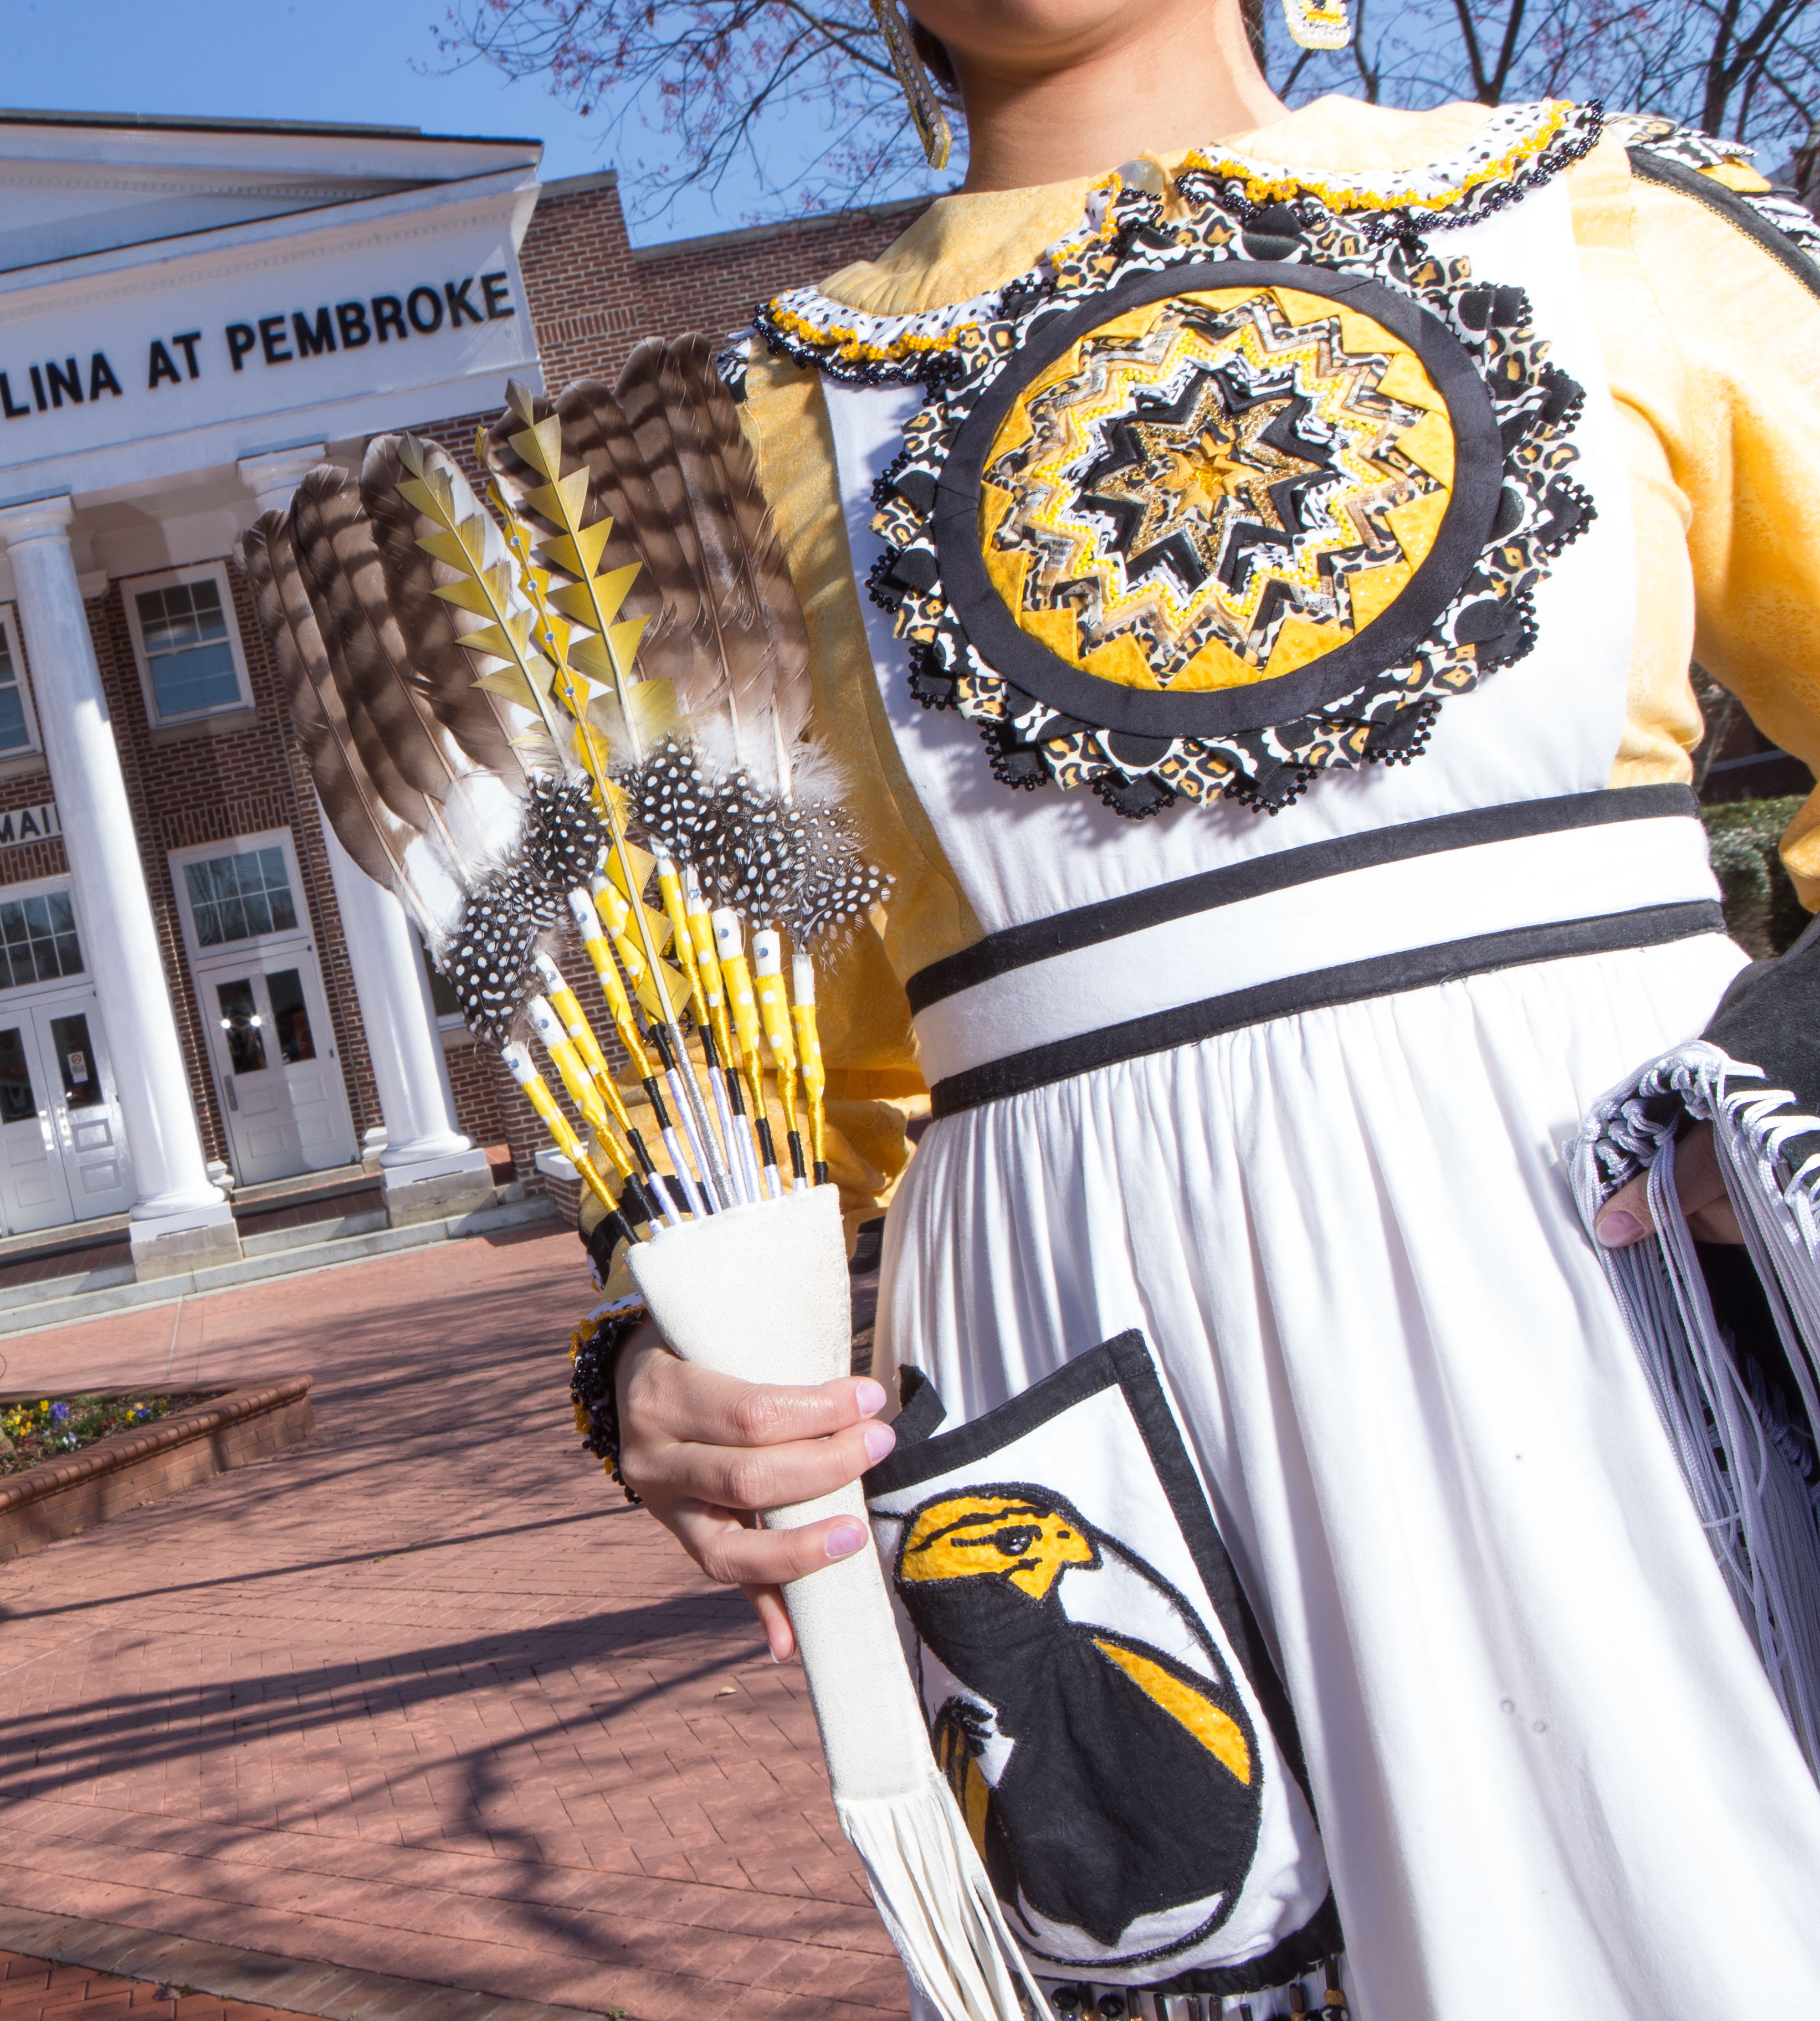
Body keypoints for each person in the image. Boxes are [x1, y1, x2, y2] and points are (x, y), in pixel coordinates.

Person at [588, 1, 1820, 2012]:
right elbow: (730, 1062)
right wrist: (661, 1362)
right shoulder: (719, 456)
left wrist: (1784, 1089)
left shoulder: (1616, 216)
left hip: (1631, 1288)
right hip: (1076, 1389)